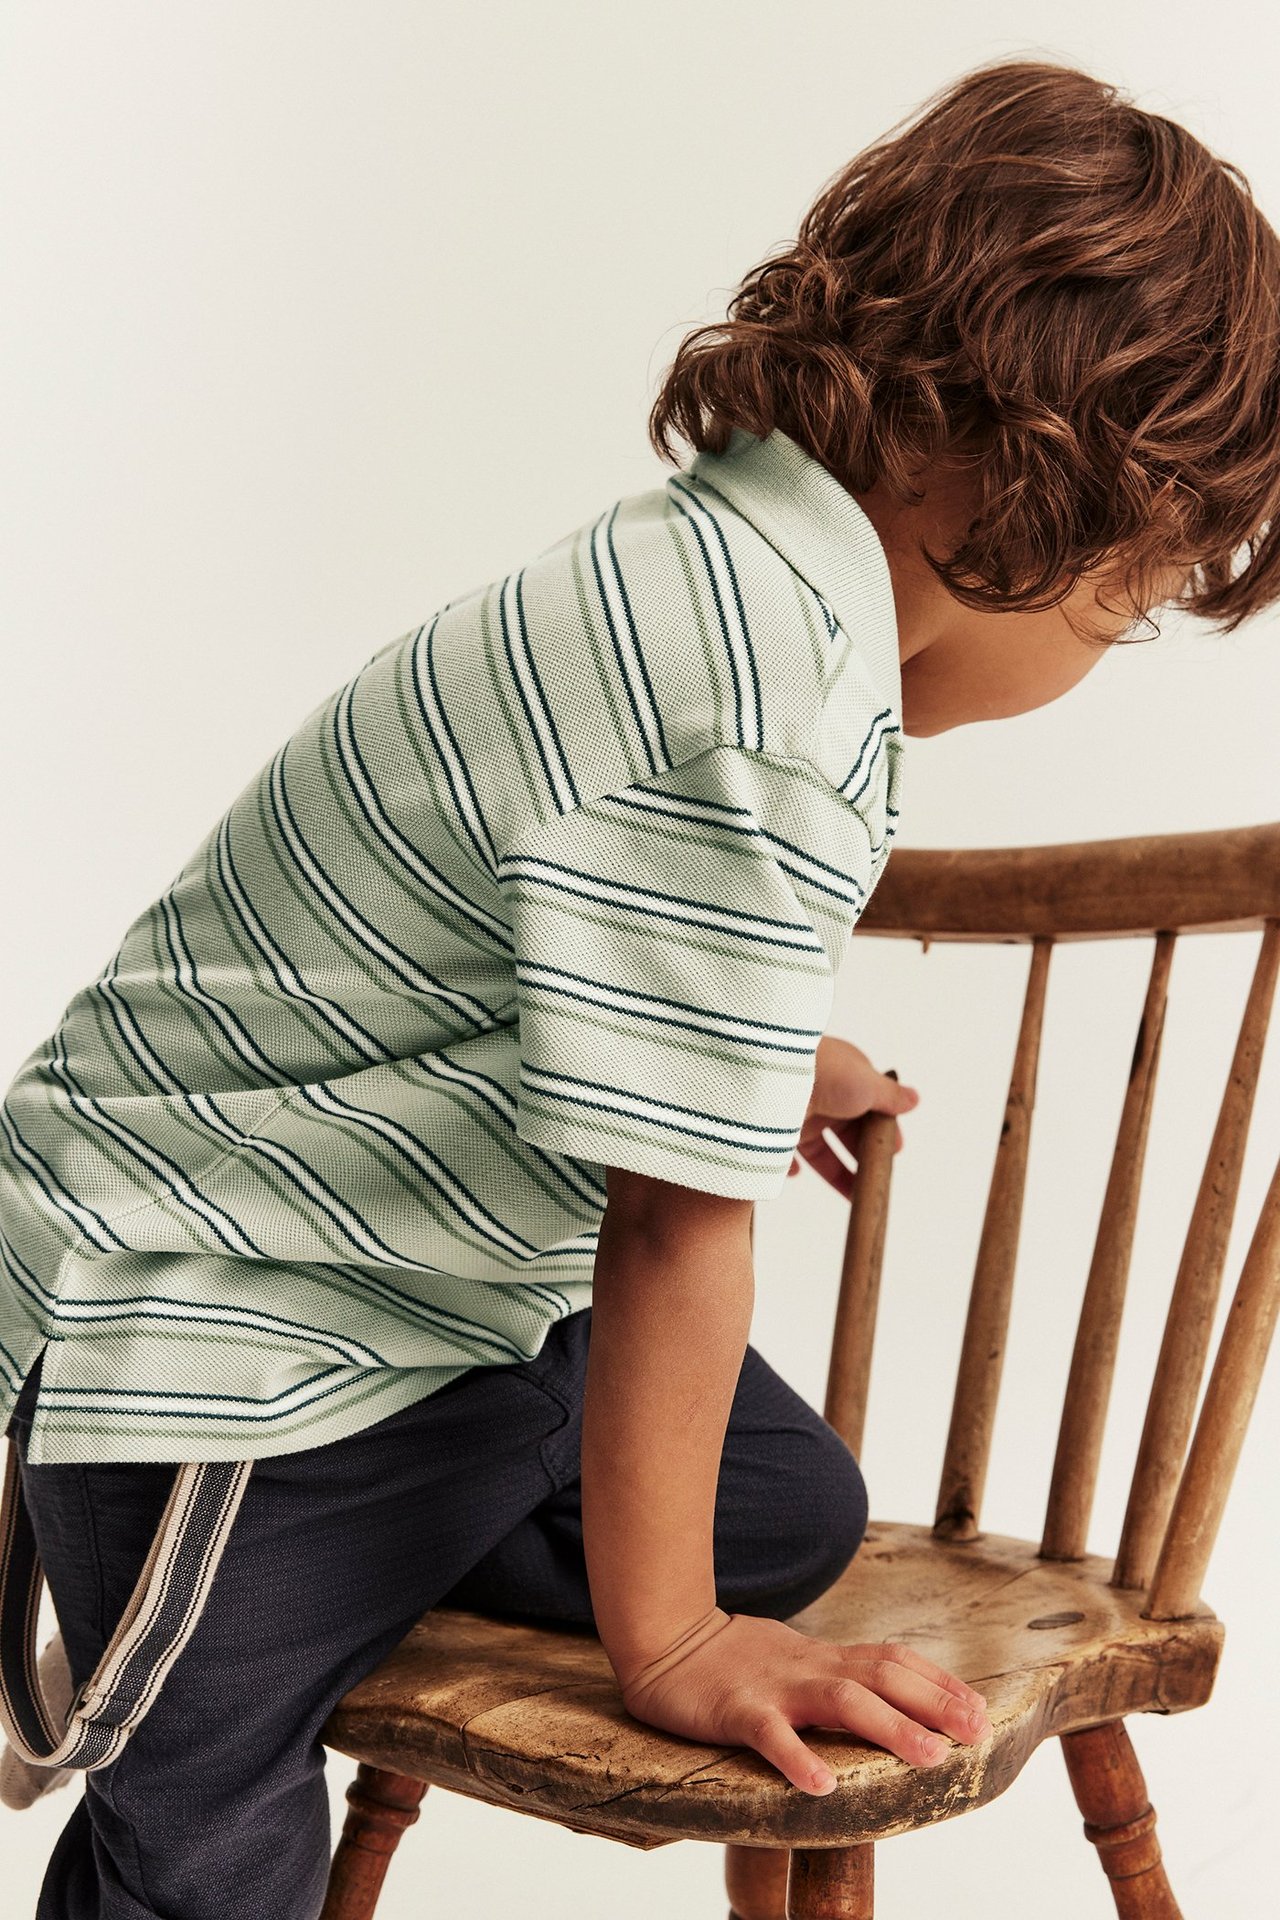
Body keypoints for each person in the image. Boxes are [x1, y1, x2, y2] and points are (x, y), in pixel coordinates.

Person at [2, 51, 1279, 1919]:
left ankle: (412, 1532)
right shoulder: (755, 700)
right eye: (1139, 592)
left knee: (795, 1508)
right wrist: (670, 1641)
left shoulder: (734, 579)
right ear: (1046, 485)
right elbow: (680, 1229)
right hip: (221, 1322)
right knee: (207, 1835)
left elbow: (568, 924)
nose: (1110, 645)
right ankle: (221, 1593)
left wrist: (763, 1050)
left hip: (435, 1299)